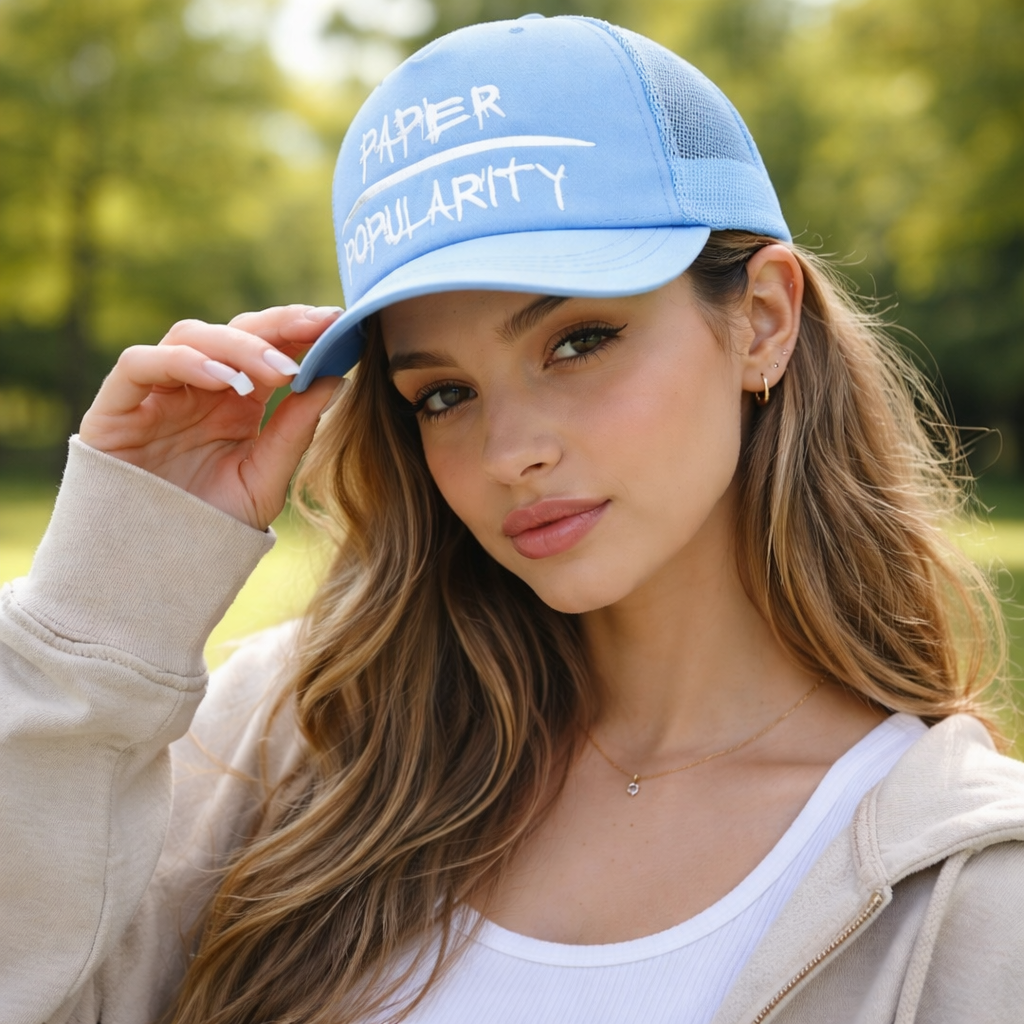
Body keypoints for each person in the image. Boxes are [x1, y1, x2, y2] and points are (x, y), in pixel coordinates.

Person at [2, 14, 1023, 1024]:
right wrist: (103, 604)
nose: (508, 452)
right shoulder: (289, 744)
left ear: (760, 319)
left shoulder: (967, 895)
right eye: (442, 393)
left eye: (579, 341)